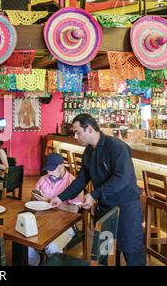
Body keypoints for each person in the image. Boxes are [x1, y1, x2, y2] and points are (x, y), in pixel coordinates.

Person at [50, 113, 145, 266]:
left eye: (77, 132)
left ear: (89, 129)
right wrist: (60, 197)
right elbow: (82, 179)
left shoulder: (117, 147)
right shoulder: (88, 151)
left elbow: (122, 178)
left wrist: (94, 194)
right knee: (105, 254)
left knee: (132, 253)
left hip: (126, 208)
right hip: (105, 208)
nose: (75, 136)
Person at [28, 153, 83, 266]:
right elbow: (31, 201)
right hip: (42, 220)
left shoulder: (73, 183)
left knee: (53, 247)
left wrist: (48, 201)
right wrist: (34, 196)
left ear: (62, 167)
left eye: (52, 169)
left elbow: (73, 211)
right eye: (47, 169)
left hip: (65, 224)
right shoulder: (43, 179)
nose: (49, 172)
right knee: (28, 243)